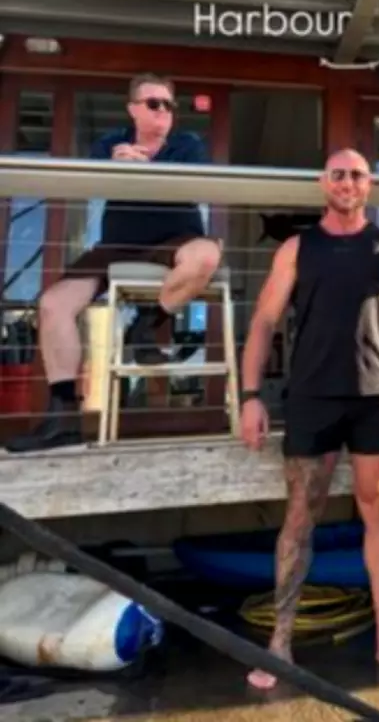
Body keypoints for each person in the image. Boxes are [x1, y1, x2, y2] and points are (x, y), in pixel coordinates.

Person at [239, 148, 379, 690]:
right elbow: (263, 322)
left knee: (377, 508)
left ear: (369, 185)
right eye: (338, 173)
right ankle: (279, 643)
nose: (348, 181)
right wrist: (249, 395)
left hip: (377, 396)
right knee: (299, 517)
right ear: (323, 183)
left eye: (357, 174)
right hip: (311, 396)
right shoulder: (297, 248)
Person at [4, 73, 222, 454]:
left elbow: (196, 186)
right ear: (132, 109)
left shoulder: (187, 144)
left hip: (175, 241)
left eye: (169, 104)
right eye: (153, 103)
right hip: (116, 246)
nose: (163, 111)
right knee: (53, 304)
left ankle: (147, 325)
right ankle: (63, 419)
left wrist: (147, 172)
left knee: (206, 255)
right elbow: (89, 183)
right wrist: (114, 165)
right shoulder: (111, 141)